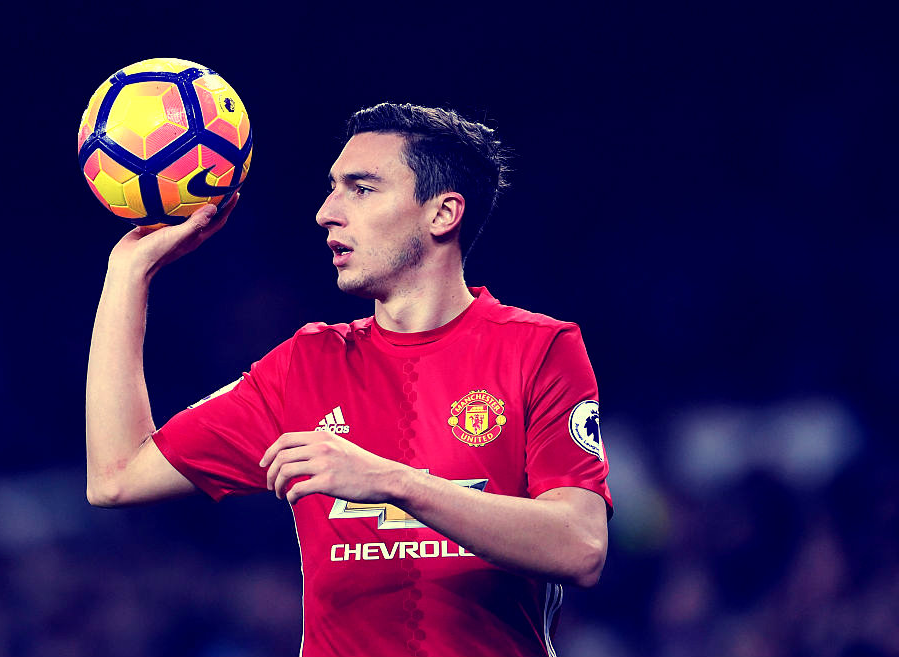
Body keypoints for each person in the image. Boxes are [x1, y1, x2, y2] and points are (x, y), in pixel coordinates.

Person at [86, 102, 612, 657]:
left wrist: (391, 482)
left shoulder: (539, 348)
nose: (326, 213)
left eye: (361, 189)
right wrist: (129, 273)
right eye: (332, 188)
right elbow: (116, 477)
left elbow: (580, 548)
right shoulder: (305, 364)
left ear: (443, 214)